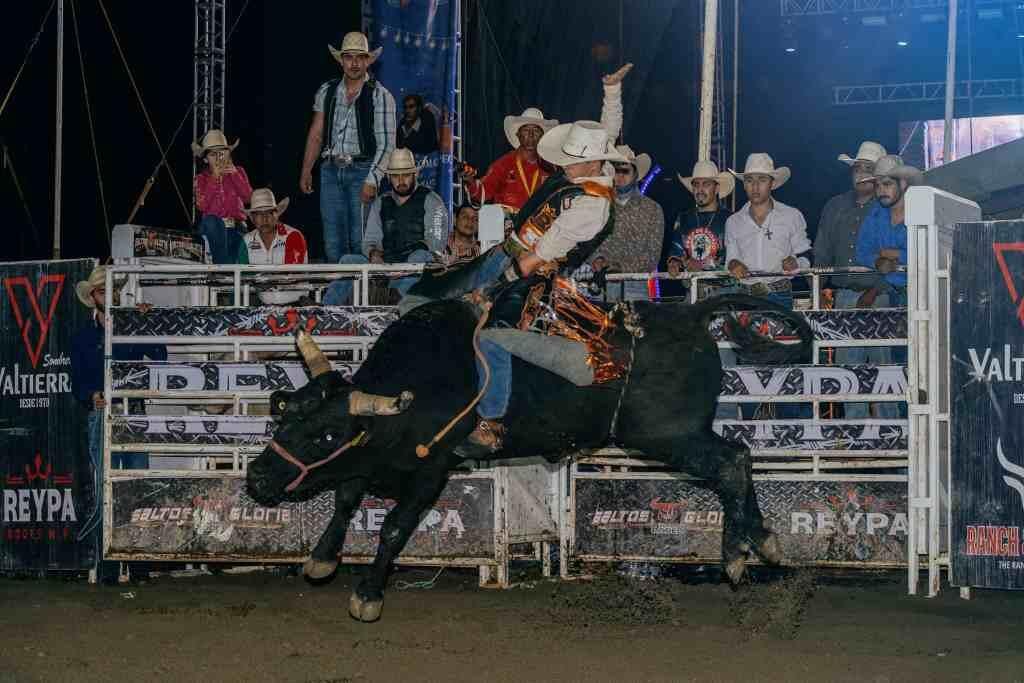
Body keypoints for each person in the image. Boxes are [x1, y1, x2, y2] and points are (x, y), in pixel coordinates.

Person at [457, 120, 625, 456]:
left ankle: (491, 421)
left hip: (533, 279)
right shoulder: (581, 180)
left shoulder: (593, 206)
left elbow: (535, 260)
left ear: (594, 163)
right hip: (513, 255)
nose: (565, 165)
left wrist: (492, 288)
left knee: (491, 338)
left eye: (574, 160)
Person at [71, 266, 167, 583]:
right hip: (105, 413)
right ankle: (109, 565)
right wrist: (91, 395)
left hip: (132, 411)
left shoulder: (130, 324)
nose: (108, 295)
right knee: (106, 488)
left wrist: (147, 322)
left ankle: (137, 564)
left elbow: (160, 356)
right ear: (93, 297)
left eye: (111, 290)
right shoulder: (83, 337)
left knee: (136, 484)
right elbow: (76, 382)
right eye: (103, 291)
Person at [462, 64, 631, 211]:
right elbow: (480, 195)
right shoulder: (504, 164)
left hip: (545, 228)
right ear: (517, 135)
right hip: (508, 229)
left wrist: (612, 93)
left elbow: (604, 138)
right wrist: (469, 180)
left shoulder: (556, 164)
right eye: (525, 130)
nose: (530, 135)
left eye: (536, 131)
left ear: (543, 136)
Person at [300, 31, 396, 263]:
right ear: (341, 60)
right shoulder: (327, 91)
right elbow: (316, 133)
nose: (354, 63)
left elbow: (387, 144)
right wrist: (306, 169)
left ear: (367, 61)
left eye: (359, 57)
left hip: (361, 170)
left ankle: (361, 287)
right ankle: (339, 286)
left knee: (361, 240)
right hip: (330, 170)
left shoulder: (380, 95)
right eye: (349, 57)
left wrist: (372, 179)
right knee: (333, 243)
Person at [815, 141, 892, 419]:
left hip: (880, 295)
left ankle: (891, 433)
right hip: (844, 295)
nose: (861, 173)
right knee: (849, 373)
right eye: (857, 167)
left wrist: (875, 290)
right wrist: (818, 288)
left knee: (884, 372)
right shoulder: (835, 206)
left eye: (867, 168)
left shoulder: (888, 207)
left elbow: (897, 255)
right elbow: (822, 250)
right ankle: (856, 431)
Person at [323, 148, 448, 305]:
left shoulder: (433, 201)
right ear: (388, 177)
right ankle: (324, 307)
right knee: (348, 260)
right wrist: (373, 253)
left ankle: (398, 301)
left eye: (406, 174)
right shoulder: (381, 203)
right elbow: (369, 241)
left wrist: (406, 263)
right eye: (395, 175)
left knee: (421, 255)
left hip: (418, 272)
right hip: (388, 267)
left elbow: (436, 244)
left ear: (415, 175)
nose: (401, 180)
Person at [725, 153, 812, 310]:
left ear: (772, 183)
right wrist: (733, 264)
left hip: (780, 293)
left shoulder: (792, 216)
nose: (755, 186)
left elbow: (806, 254)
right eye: (749, 180)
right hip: (744, 295)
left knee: (782, 327)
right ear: (744, 185)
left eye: (762, 180)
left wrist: (796, 263)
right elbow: (730, 258)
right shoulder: (733, 222)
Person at [589, 145, 664, 301]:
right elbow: (586, 241)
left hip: (635, 287)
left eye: (625, 171)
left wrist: (620, 268)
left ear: (635, 174)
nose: (620, 176)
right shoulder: (596, 205)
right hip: (600, 286)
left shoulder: (652, 209)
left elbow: (653, 255)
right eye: (616, 170)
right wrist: (596, 259)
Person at [855, 154, 921, 310]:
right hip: (891, 295)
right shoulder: (875, 213)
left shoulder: (922, 210)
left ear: (903, 184)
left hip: (924, 293)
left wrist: (896, 254)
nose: (881, 191)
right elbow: (861, 252)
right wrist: (877, 261)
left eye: (887, 184)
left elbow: (933, 254)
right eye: (877, 186)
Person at [666, 160, 736, 300]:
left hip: (724, 296)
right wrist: (674, 263)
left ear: (717, 188)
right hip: (691, 293)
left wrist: (704, 265)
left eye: (706, 184)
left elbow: (734, 259)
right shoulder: (683, 218)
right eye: (696, 184)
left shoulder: (730, 219)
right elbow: (676, 250)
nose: (700, 189)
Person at [237, 188, 309, 305]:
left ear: (277, 215)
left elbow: (291, 275)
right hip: (264, 307)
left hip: (296, 305)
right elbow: (242, 275)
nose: (265, 218)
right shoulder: (246, 240)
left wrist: (258, 280)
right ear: (252, 218)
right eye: (259, 214)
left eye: (269, 213)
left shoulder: (293, 236)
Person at [193, 129, 253, 264]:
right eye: (213, 154)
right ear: (205, 159)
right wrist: (214, 177)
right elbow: (201, 205)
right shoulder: (201, 178)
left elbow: (248, 198)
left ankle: (225, 269)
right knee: (212, 221)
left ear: (228, 154)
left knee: (240, 246)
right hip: (211, 231)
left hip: (236, 229)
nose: (218, 157)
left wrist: (235, 174)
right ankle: (223, 268)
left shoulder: (238, 171)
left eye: (221, 153)